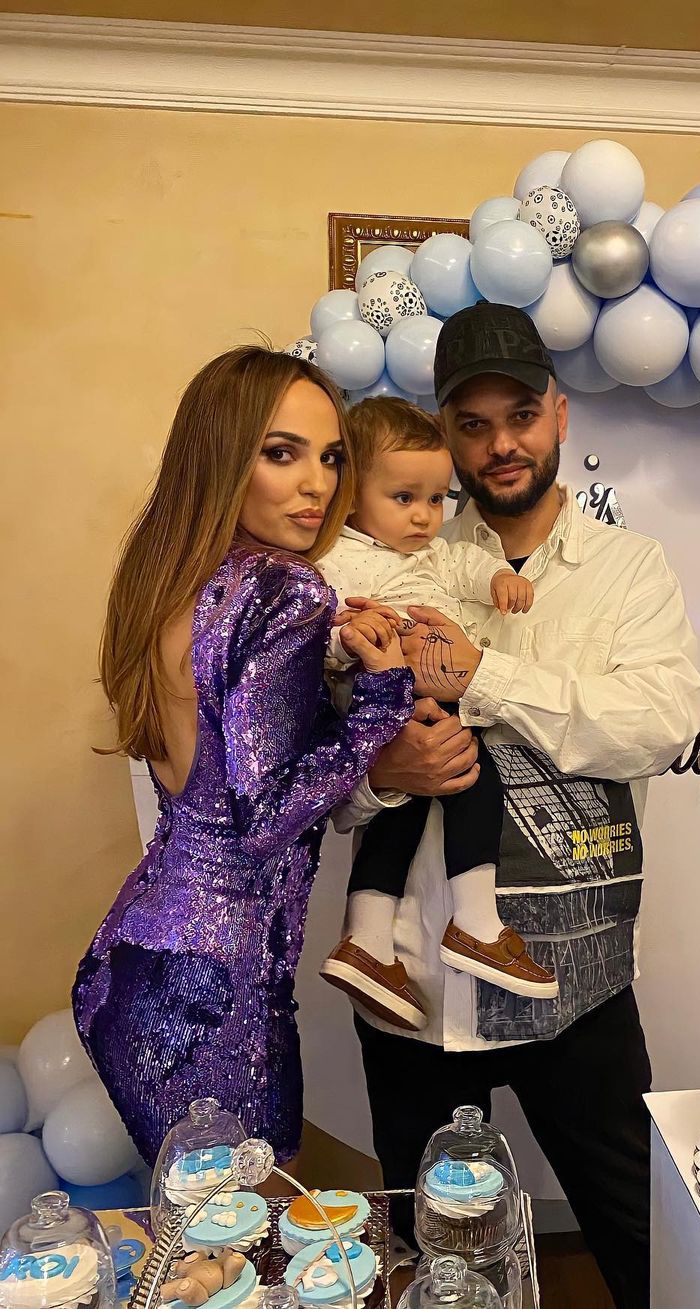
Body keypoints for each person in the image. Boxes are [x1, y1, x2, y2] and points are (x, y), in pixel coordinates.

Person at [335, 303, 700, 1309]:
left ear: (561, 416)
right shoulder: (391, 560)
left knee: (644, 1242)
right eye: (473, 423)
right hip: (413, 987)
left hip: (575, 984)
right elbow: (321, 776)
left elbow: (659, 725)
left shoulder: (630, 570)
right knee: (432, 1258)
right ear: (446, 435)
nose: (501, 443)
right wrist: (382, 774)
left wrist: (483, 676)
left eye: (522, 415)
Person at [72, 346, 415, 1165]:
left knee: (203, 1235)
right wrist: (381, 699)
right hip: (216, 995)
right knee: (249, 1239)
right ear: (224, 457)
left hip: (129, 965)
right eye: (281, 453)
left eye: (331, 457)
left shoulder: (172, 582)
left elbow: (217, 775)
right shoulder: (286, 591)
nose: (317, 484)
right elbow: (265, 816)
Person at [316, 397, 557, 1032]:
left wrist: (499, 577)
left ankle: (366, 940)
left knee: (402, 810)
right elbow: (311, 636)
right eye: (404, 498)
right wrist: (347, 639)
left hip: (422, 698)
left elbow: (468, 564)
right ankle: (476, 921)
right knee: (475, 777)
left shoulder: (429, 553)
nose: (425, 516)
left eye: (437, 498)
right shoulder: (331, 559)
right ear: (350, 496)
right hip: (377, 702)